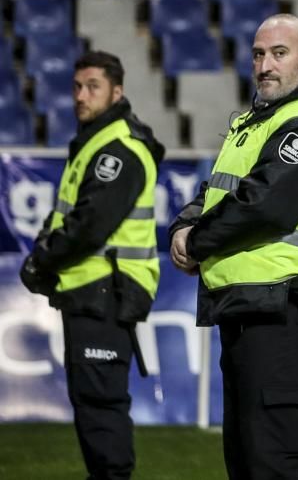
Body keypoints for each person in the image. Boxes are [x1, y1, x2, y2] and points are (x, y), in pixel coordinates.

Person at [168, 14, 298, 479]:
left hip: (286, 313)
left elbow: (263, 206)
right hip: (252, 311)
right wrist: (185, 223)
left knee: (274, 465)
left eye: (279, 53)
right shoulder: (259, 120)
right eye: (259, 54)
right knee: (250, 464)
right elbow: (220, 192)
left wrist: (194, 242)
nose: (265, 65)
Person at [19, 51, 163, 480]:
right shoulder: (97, 141)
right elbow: (71, 217)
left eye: (93, 87)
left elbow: (89, 226)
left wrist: (41, 262)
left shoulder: (117, 148)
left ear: (116, 91)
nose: (81, 96)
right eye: (77, 87)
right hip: (92, 291)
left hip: (105, 290)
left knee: (100, 407)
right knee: (93, 404)